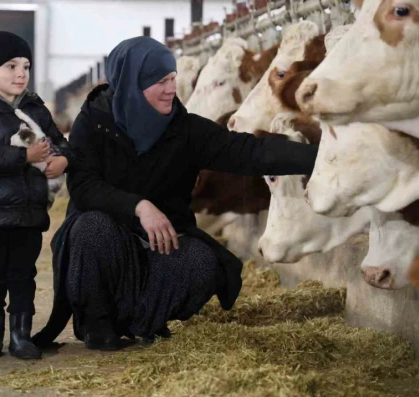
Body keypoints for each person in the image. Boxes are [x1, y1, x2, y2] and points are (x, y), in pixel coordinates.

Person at [32, 37, 318, 350]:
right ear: (131, 82)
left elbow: (248, 151)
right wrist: (140, 206)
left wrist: (325, 155)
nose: (171, 89)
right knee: (91, 227)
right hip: (108, 239)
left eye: (172, 79)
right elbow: (84, 187)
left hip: (161, 241)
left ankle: (137, 321)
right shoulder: (94, 123)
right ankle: (98, 324)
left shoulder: (184, 129)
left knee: (202, 263)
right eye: (160, 81)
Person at [0, 31, 72, 360]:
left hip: (29, 211)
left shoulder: (36, 108)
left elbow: (62, 145)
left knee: (24, 275)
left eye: (26, 66)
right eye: (11, 66)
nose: (21, 73)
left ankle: (21, 336)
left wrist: (63, 160)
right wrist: (25, 158)